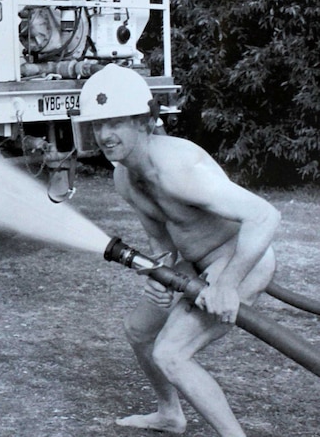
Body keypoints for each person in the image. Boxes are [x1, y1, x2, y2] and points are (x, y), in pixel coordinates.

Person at [72, 64, 280, 437]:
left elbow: (264, 216)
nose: (104, 135)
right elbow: (163, 244)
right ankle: (170, 414)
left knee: (171, 353)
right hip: (195, 265)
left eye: (115, 122)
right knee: (138, 331)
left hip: (239, 261)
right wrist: (159, 273)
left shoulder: (178, 168)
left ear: (142, 121)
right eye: (97, 125)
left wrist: (227, 285)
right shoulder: (125, 177)